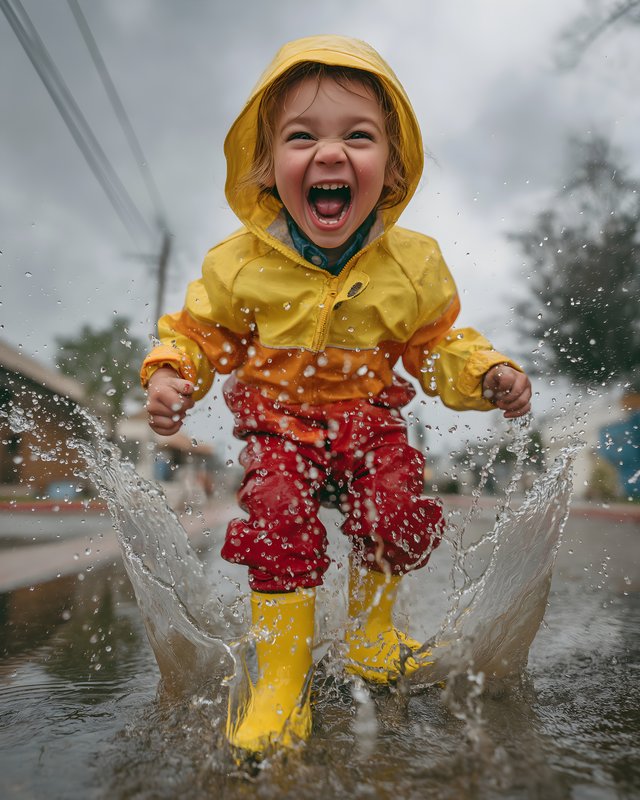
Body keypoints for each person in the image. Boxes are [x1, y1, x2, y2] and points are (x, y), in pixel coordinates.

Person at [141, 34, 532, 755]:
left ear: (391, 168)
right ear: (265, 167)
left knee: (395, 503)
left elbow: (440, 341)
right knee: (280, 517)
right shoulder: (239, 265)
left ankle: (371, 637)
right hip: (278, 424)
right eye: (301, 137)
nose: (329, 153)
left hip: (371, 418)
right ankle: (282, 682)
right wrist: (174, 371)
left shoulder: (412, 264)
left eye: (358, 135)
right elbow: (200, 333)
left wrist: (486, 373)